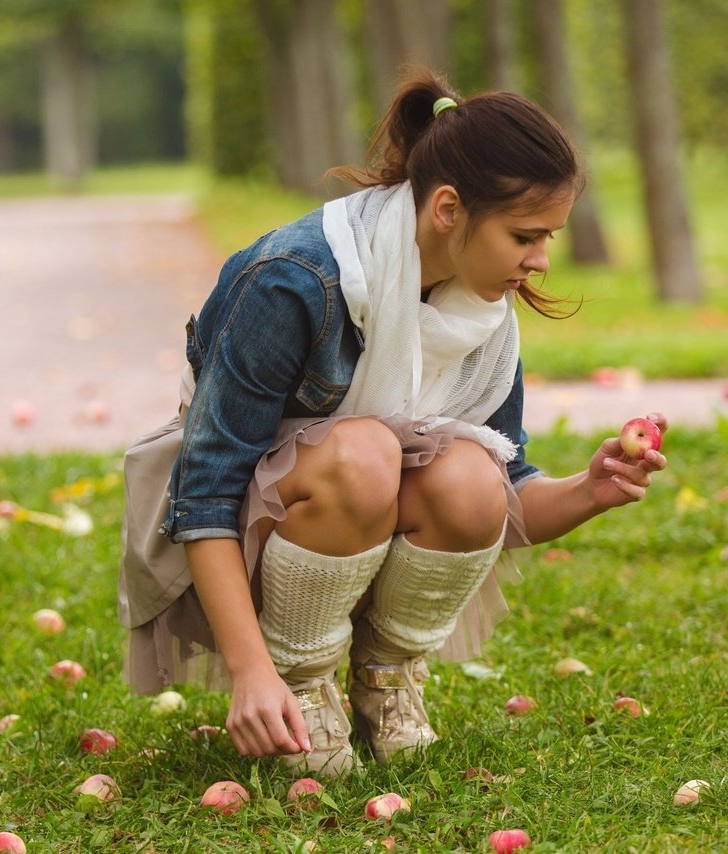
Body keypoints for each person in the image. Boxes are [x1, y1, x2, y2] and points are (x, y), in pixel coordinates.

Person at [118, 68, 668, 777]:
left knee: (475, 472)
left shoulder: (480, 306)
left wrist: (590, 490)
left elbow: (506, 492)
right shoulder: (296, 279)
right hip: (240, 537)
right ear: (447, 208)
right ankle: (299, 684)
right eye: (526, 236)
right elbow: (207, 491)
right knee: (367, 454)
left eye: (549, 236)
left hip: (353, 527)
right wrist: (251, 670)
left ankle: (386, 682)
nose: (541, 261)